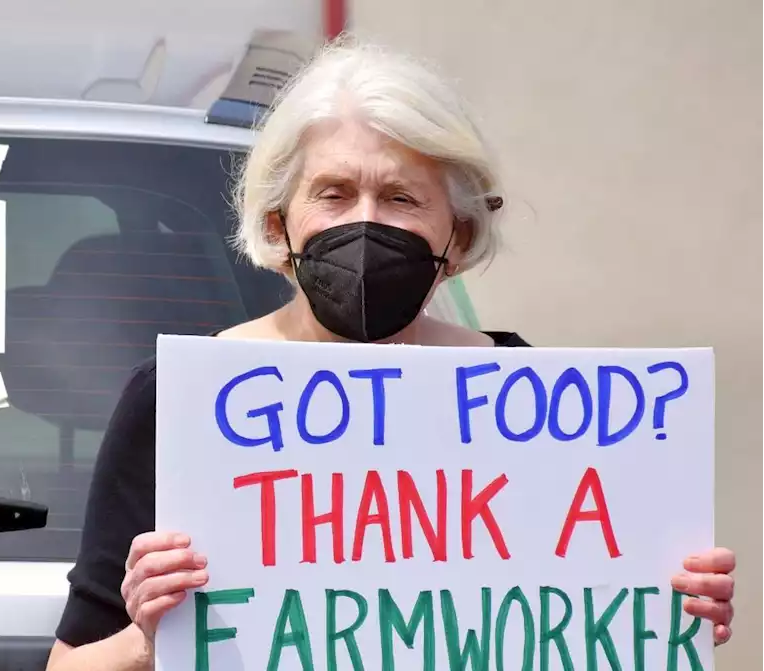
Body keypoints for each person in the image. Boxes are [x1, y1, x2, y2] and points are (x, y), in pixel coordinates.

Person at [44, 36, 737, 670]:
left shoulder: (525, 394)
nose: (366, 223)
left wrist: (664, 614)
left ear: (456, 240)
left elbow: (575, 621)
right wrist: (147, 638)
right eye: (334, 194)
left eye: (402, 197)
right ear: (280, 225)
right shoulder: (177, 400)